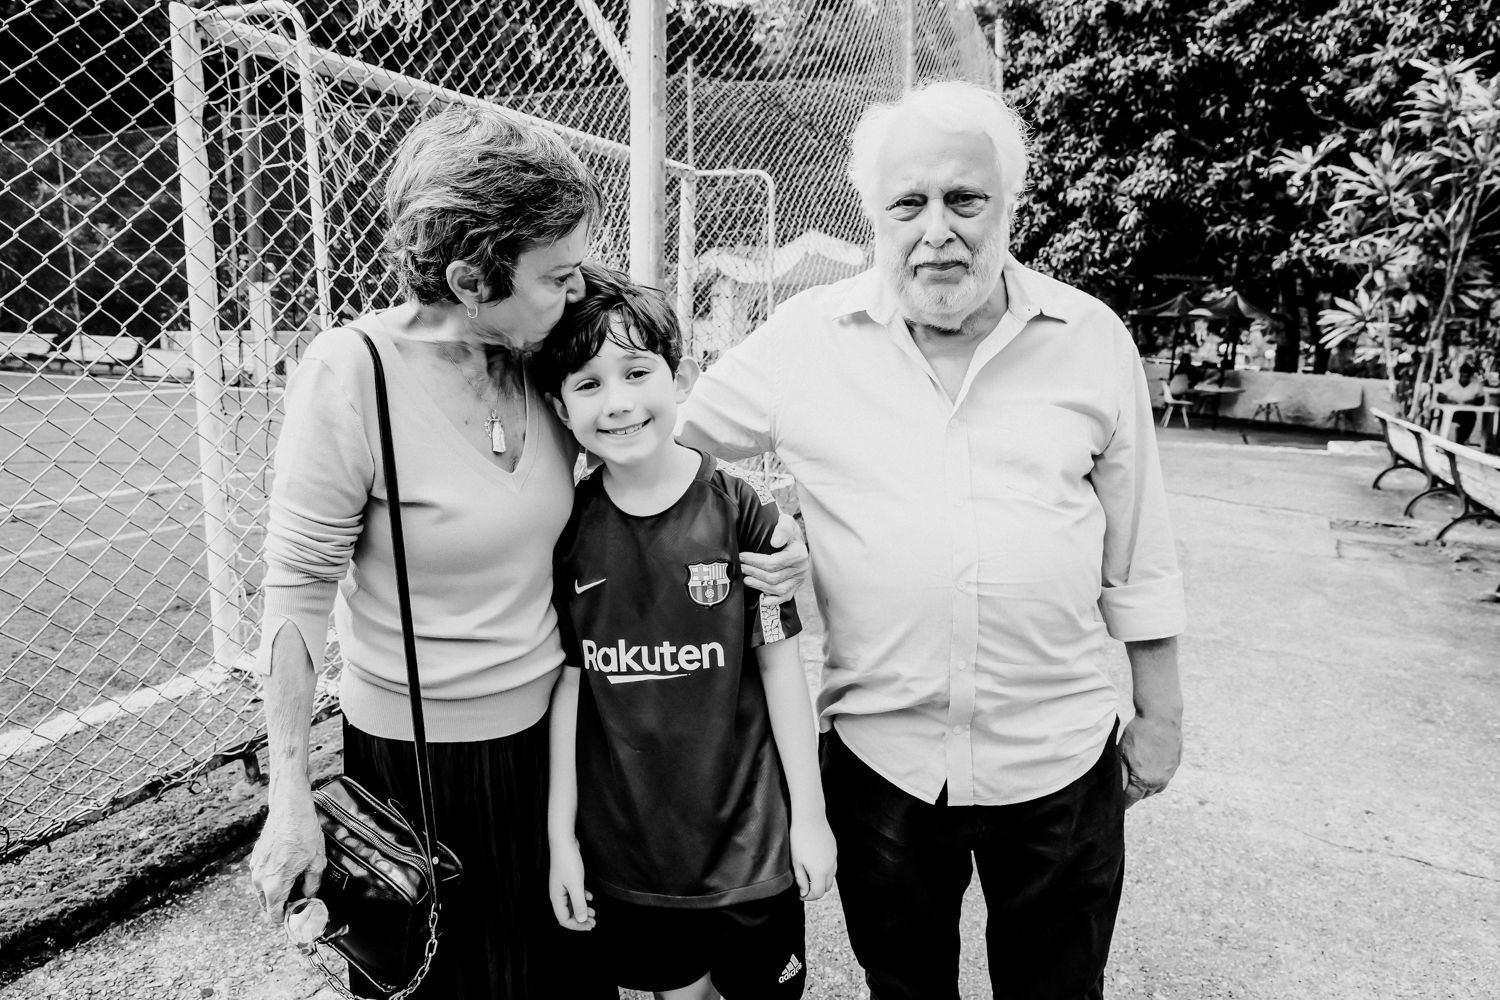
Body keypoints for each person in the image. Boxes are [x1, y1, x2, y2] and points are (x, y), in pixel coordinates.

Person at [246, 106, 805, 999]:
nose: (577, 291)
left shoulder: (541, 355)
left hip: (553, 745)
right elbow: (297, 589)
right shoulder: (353, 376)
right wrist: (287, 797)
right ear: (471, 278)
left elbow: (657, 443)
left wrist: (773, 545)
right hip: (420, 769)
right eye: (556, 274)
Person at [678, 80, 1186, 1000]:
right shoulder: (806, 340)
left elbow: (1138, 551)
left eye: (965, 200)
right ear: (874, 216)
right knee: (904, 989)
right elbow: (664, 448)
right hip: (884, 761)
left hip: (1059, 756)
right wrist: (756, 522)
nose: (937, 229)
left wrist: (1162, 715)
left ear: (1008, 207)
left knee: (1059, 988)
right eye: (908, 203)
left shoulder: (1090, 338)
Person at [537, 266, 836, 1000]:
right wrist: (560, 841)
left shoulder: (744, 515)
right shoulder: (566, 530)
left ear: (681, 377)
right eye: (588, 384)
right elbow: (570, 689)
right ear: (558, 404)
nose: (619, 403)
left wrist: (811, 820)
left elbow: (779, 672)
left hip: (751, 848)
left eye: (637, 372)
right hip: (634, 860)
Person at [1436, 362, 1485, 444]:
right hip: (1447, 411)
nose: (1464, 379)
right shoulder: (1449, 383)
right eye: (1463, 376)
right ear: (1460, 374)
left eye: (1467, 376)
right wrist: (1449, 401)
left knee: (1471, 417)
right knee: (1439, 416)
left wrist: (1471, 402)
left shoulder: (1476, 385)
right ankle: (1440, 441)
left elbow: (1481, 401)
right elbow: (1439, 398)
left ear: (1471, 376)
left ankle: (1460, 443)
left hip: (1465, 412)